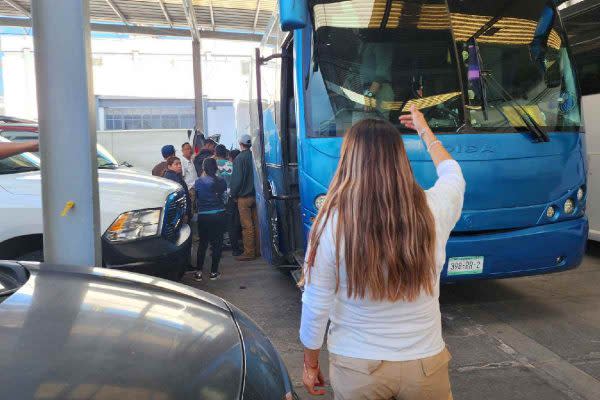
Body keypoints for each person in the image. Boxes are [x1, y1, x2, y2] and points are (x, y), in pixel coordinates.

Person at [300, 107, 466, 399]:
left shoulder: (331, 221)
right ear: (400, 160)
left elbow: (316, 302)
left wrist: (310, 363)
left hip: (357, 368)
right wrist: (424, 131)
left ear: (349, 161)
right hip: (425, 364)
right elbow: (453, 174)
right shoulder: (433, 209)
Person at [194, 157, 227, 282]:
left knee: (202, 244)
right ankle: (213, 272)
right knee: (217, 244)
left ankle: (198, 273)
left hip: (203, 215)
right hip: (219, 215)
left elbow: (197, 199)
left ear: (204, 168)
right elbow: (224, 198)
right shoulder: (221, 181)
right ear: (216, 168)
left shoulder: (198, 182)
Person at [230, 134, 259, 261]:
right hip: (256, 196)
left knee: (247, 226)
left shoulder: (239, 159)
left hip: (243, 198)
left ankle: (249, 252)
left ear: (240, 144)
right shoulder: (255, 156)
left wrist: (234, 194)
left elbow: (237, 180)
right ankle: (259, 249)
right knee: (257, 224)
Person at [163, 156, 192, 221]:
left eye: (180, 163)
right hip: (179, 214)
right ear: (169, 166)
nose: (179, 166)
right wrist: (184, 213)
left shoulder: (174, 176)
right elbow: (179, 198)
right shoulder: (173, 178)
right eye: (176, 164)